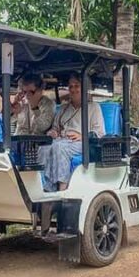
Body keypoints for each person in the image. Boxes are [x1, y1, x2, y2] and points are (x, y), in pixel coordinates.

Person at [37, 73, 104, 236]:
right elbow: (55, 128)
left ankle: (62, 188)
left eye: (77, 86)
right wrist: (53, 133)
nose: (73, 89)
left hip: (83, 144)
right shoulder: (64, 108)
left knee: (60, 148)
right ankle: (45, 188)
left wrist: (82, 136)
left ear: (84, 88)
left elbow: (100, 132)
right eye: (71, 86)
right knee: (44, 148)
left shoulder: (94, 108)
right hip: (62, 141)